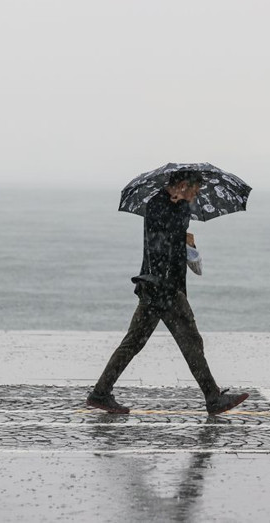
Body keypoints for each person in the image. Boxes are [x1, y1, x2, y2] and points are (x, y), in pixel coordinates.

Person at [86, 169, 249, 416]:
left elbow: (175, 240)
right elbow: (162, 241)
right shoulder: (157, 206)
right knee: (189, 341)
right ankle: (213, 398)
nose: (196, 196)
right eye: (194, 191)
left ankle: (100, 393)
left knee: (135, 342)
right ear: (183, 185)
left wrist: (185, 232)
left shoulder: (179, 208)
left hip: (160, 288)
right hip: (162, 288)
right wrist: (183, 234)